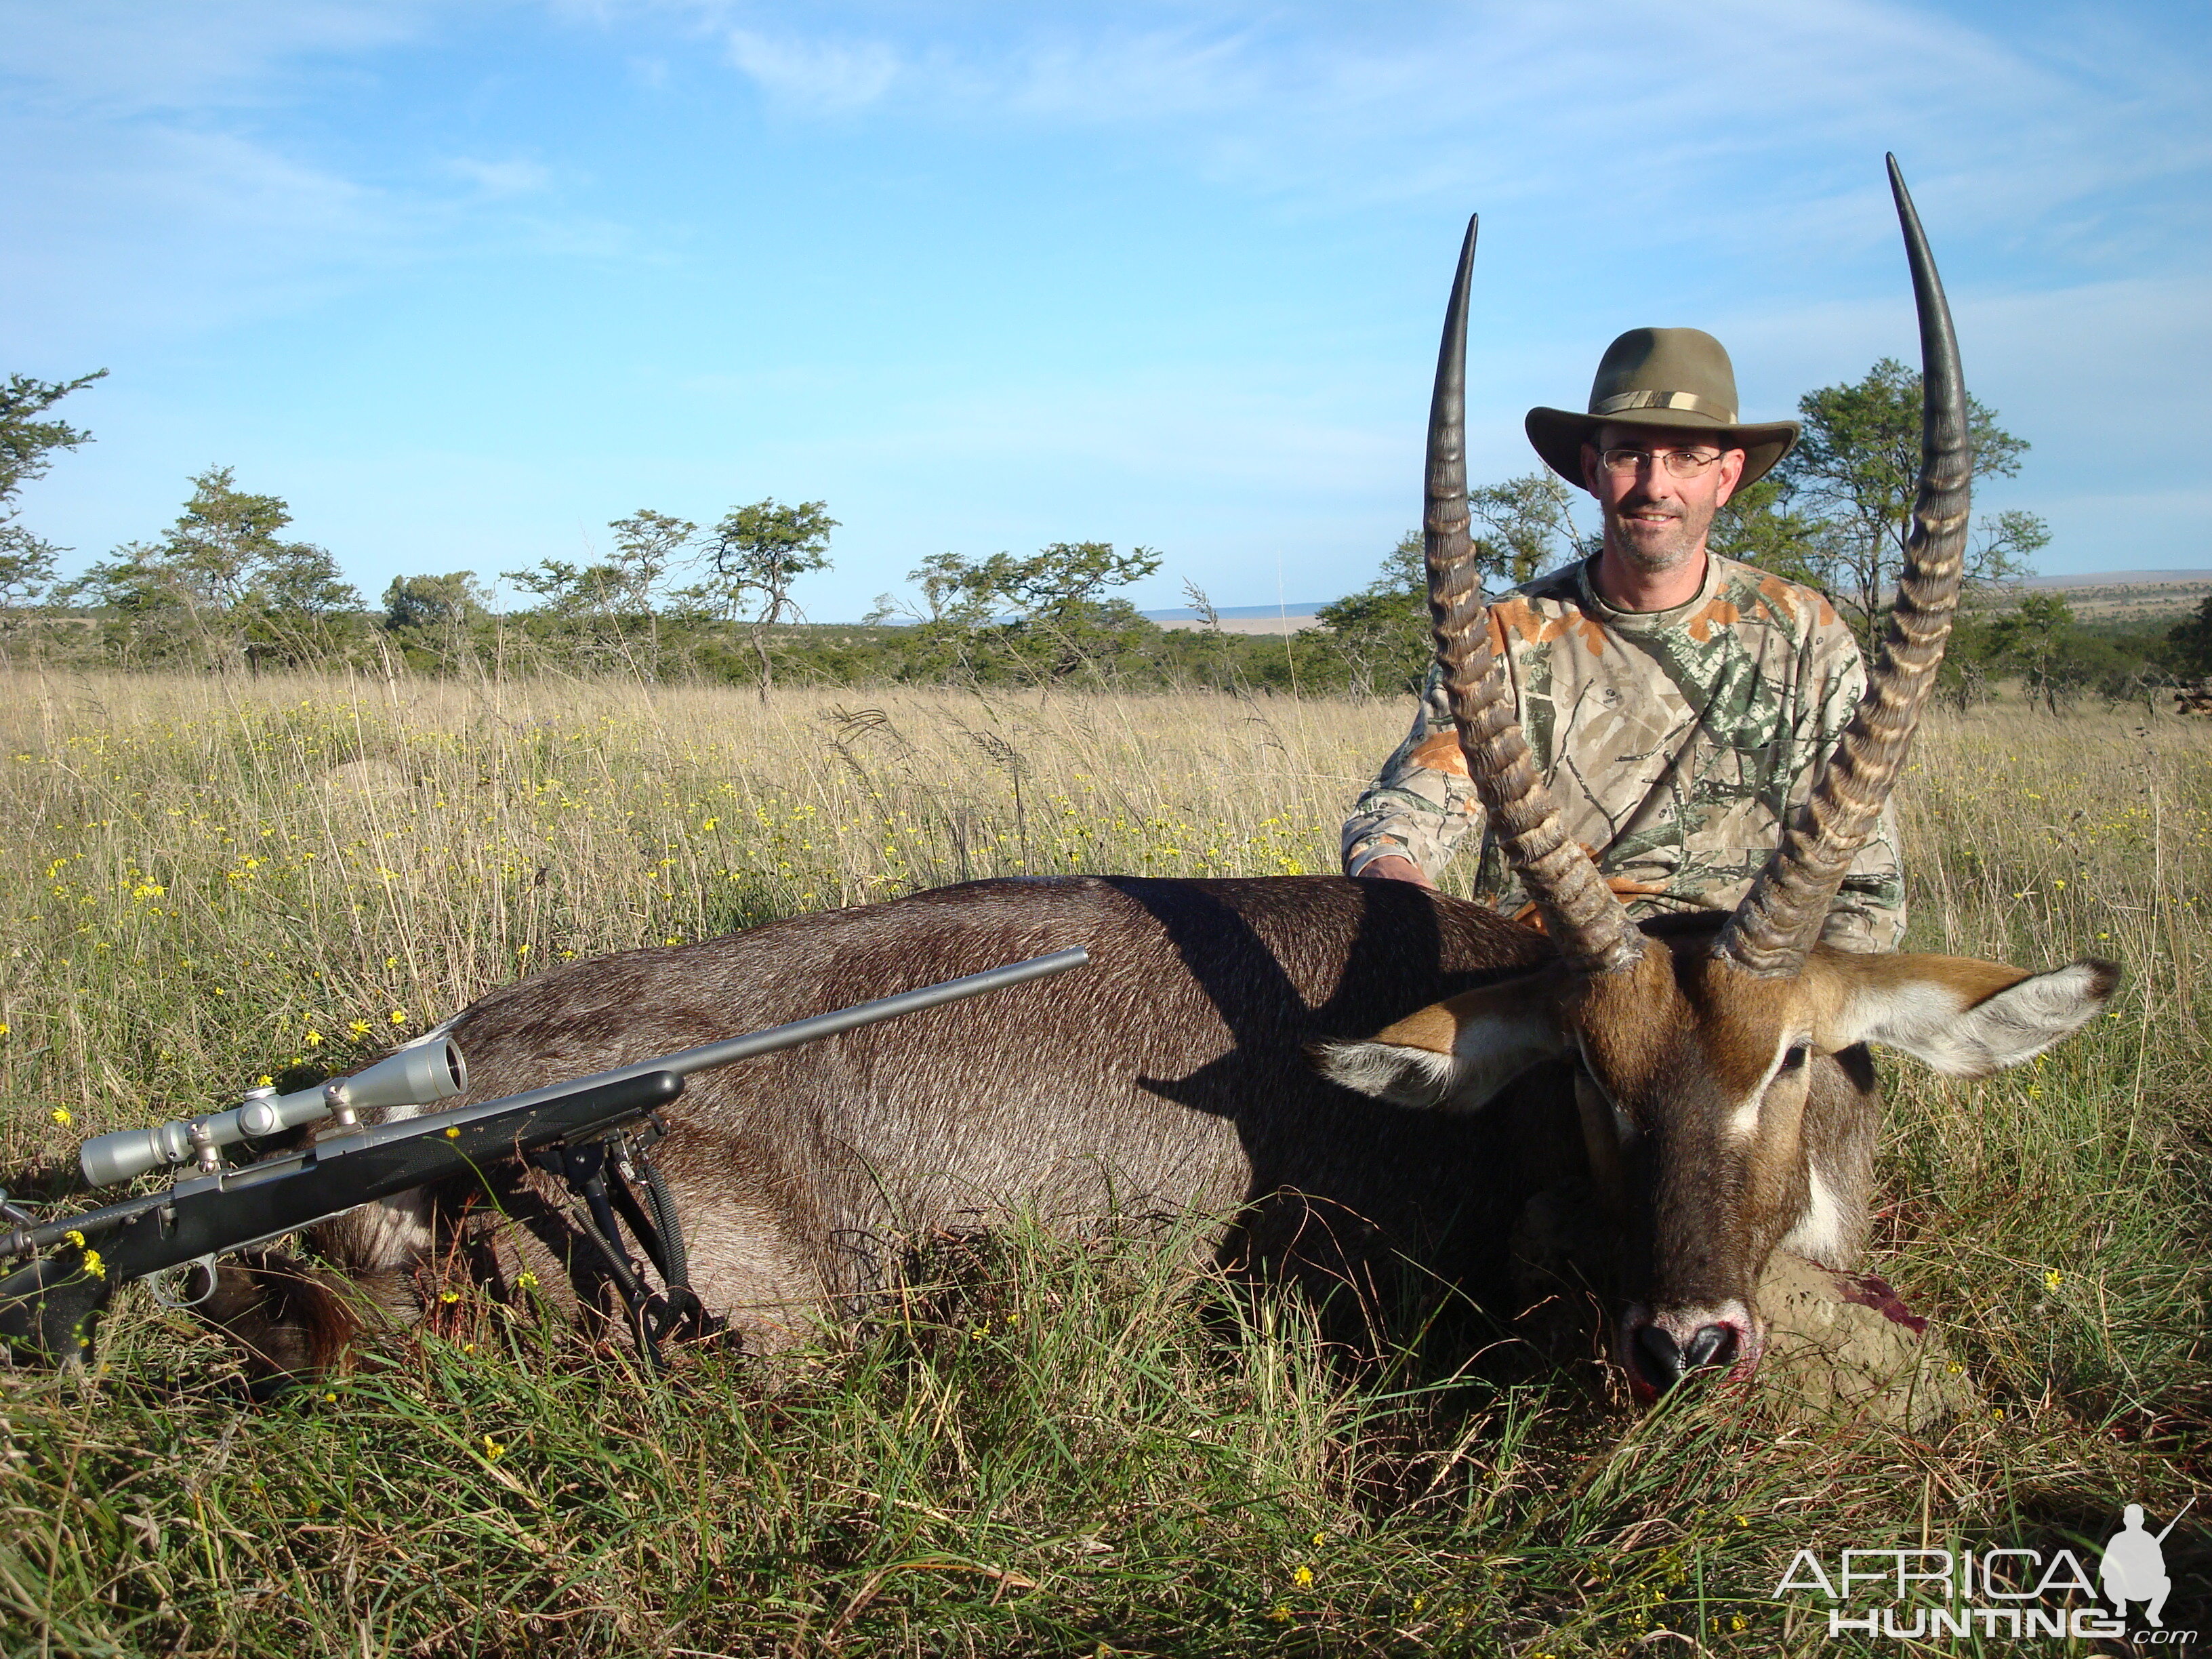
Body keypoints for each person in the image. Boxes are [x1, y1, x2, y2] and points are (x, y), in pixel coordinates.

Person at [1342, 327, 1904, 949]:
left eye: (1686, 457)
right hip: (1554, 975)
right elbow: (1403, 815)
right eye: (1629, 454)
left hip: (1741, 985)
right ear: (1592, 469)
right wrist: (1393, 875)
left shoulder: (1806, 635)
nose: (1655, 485)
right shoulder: (1503, 635)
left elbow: (1865, 890)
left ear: (1727, 474)